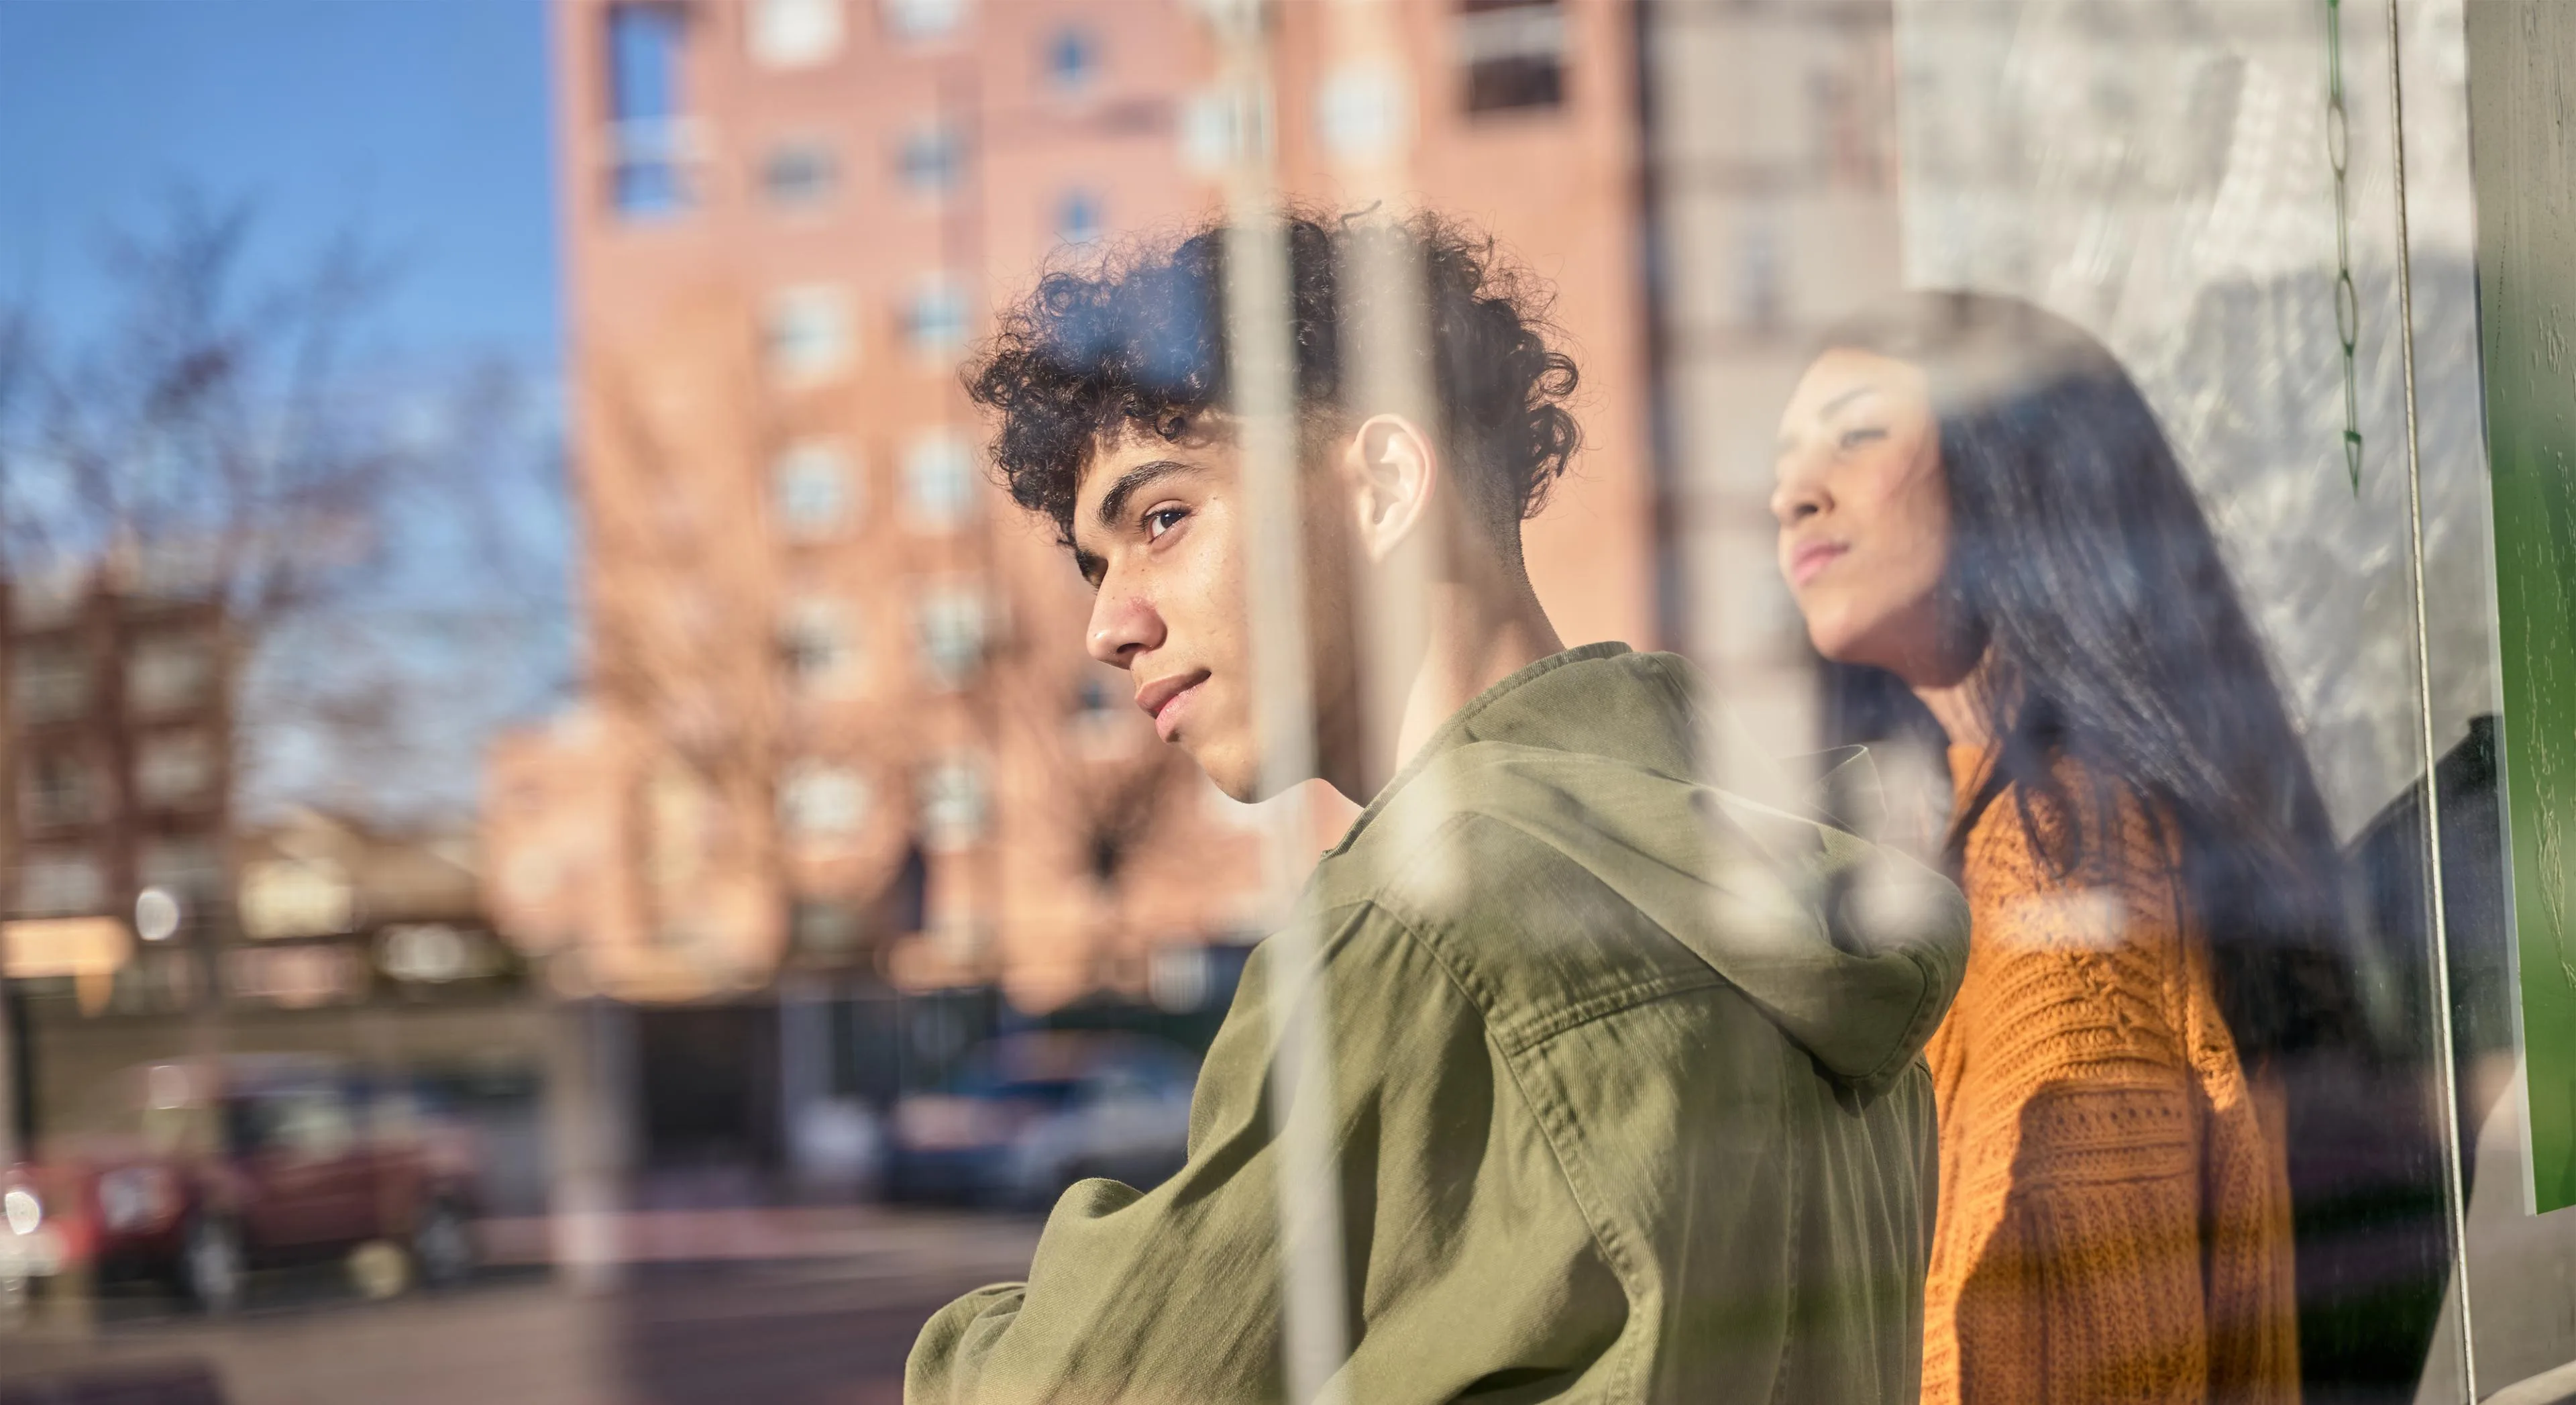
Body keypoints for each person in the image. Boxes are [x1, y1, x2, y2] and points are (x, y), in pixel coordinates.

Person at [908, 210, 1969, 1402]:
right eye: (1094, 568)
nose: (1110, 625)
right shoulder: (1776, 873)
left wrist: (986, 1337)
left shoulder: (1420, 919)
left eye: (1162, 518)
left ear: (1386, 487)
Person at [1772, 291, 2346, 1405]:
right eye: (1786, 453)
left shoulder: (2068, 874)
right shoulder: (1969, 831)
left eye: (1856, 432)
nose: (1792, 492)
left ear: (2005, 470)